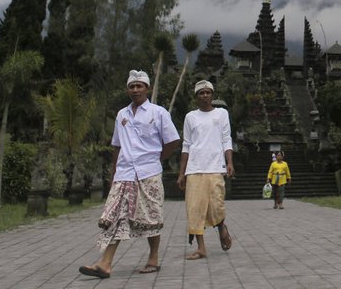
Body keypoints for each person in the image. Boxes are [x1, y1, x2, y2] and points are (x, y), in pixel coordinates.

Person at [78, 70, 180, 279]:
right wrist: (114, 171)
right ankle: (105, 263)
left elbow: (173, 140)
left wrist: (157, 158)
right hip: (124, 174)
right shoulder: (122, 114)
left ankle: (153, 258)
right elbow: (116, 145)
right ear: (128, 89)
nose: (135, 90)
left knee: (151, 217)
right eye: (132, 86)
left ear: (147, 88)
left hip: (149, 172)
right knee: (116, 216)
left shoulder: (158, 112)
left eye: (139, 86)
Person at [177, 80, 234, 260]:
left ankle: (221, 227)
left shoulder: (221, 114)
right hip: (194, 168)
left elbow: (226, 139)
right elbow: (186, 145)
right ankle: (201, 248)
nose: (205, 95)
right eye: (201, 93)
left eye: (208, 92)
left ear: (212, 95)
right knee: (194, 208)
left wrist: (230, 162)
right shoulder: (190, 117)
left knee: (217, 205)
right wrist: (181, 173)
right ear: (196, 97)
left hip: (216, 166)